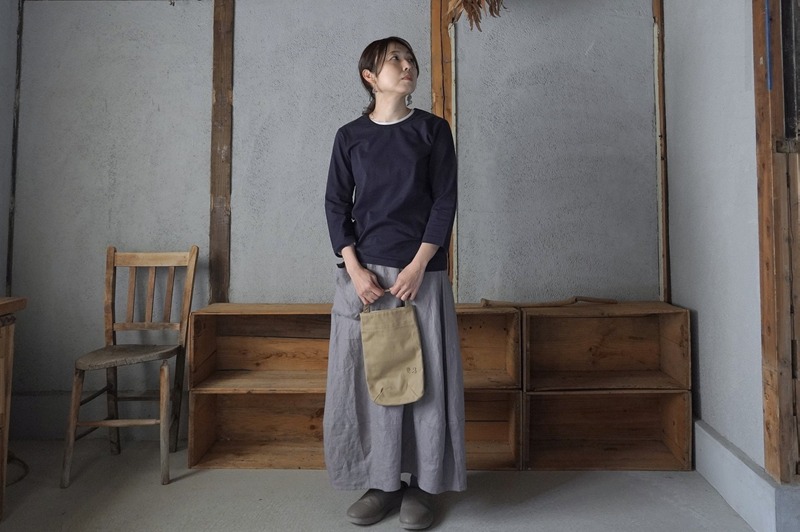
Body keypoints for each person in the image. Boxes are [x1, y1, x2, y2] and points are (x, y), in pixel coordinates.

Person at [323, 36, 466, 530]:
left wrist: (419, 265)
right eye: (395, 60)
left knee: (426, 384)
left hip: (420, 276)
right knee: (372, 385)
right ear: (370, 76)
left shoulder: (432, 130)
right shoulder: (350, 137)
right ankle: (383, 483)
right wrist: (354, 269)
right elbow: (336, 205)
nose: (408, 66)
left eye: (410, 59)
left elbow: (445, 201)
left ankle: (424, 486)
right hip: (366, 280)